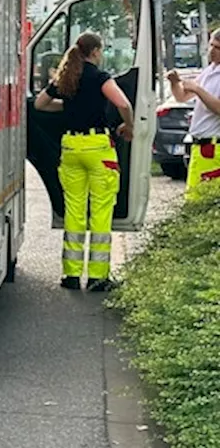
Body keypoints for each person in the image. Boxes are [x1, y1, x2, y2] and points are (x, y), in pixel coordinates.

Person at [34, 32, 134, 292]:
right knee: (100, 212)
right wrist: (129, 126)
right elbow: (123, 103)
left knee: (75, 211)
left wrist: (67, 108)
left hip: (71, 148)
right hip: (97, 148)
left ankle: (70, 275)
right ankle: (98, 277)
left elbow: (41, 104)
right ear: (96, 51)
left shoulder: (67, 77)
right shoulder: (99, 77)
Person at [168, 27, 220, 189]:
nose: (212, 51)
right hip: (199, 146)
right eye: (211, 45)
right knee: (194, 198)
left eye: (217, 47)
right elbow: (182, 97)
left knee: (203, 199)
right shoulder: (209, 72)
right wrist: (174, 83)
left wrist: (198, 90)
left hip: (213, 145)